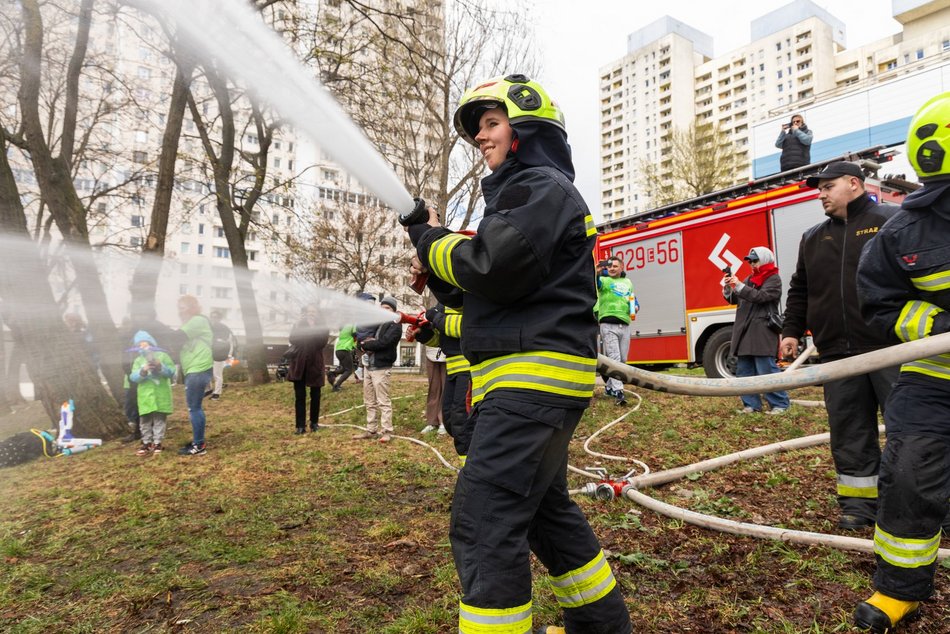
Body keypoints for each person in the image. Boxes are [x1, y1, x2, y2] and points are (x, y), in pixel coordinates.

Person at [406, 74, 632, 634]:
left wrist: (430, 240)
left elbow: (490, 265)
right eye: (478, 129)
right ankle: (601, 627)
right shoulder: (524, 195)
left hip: (532, 381)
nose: (482, 137)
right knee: (545, 514)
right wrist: (435, 267)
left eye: (491, 123)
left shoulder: (540, 187)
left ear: (527, 128)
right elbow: (487, 288)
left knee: (485, 518)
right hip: (534, 381)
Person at [852, 92, 950, 633]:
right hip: (935, 378)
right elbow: (881, 303)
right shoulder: (904, 231)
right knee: (911, 474)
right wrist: (936, 329)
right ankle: (900, 589)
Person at [779, 161, 899, 530]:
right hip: (837, 354)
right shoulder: (814, 237)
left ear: (854, 184)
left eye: (828, 187)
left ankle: (931, 506)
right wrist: (790, 331)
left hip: (891, 348)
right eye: (819, 189)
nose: (821, 194)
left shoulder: (891, 222)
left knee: (910, 430)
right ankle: (860, 508)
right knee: (849, 433)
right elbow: (800, 289)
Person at [723, 247, 790, 415]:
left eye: (755, 260)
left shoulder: (773, 279)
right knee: (744, 371)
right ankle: (751, 405)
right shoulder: (749, 279)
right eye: (750, 261)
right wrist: (728, 287)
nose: (752, 264)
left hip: (762, 331)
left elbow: (761, 297)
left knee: (766, 370)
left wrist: (739, 285)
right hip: (745, 332)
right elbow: (735, 299)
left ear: (765, 259)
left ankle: (780, 404)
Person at [353, 296, 402, 443]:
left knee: (383, 401)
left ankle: (387, 431)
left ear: (394, 310)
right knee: (369, 400)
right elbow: (361, 341)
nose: (384, 310)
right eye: (382, 307)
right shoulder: (376, 323)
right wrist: (363, 344)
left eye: (387, 308)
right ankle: (371, 429)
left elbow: (384, 343)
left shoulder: (395, 325)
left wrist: (367, 345)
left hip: (381, 367)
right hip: (368, 366)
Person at [175, 295, 214, 456]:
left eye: (182, 307)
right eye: (178, 307)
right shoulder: (191, 323)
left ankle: (199, 445)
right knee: (194, 406)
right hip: (195, 368)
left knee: (194, 407)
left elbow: (176, 337)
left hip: (199, 368)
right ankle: (198, 442)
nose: (179, 310)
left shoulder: (198, 321)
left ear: (192, 307)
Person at [596, 255, 636, 406]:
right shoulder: (604, 281)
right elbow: (595, 284)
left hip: (625, 324)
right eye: (609, 266)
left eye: (615, 266)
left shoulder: (628, 282)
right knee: (615, 358)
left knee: (623, 360)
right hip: (608, 323)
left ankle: (609, 388)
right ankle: (619, 392)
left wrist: (636, 306)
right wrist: (598, 272)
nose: (612, 268)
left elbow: (632, 298)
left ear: (622, 267)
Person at [128, 330, 175, 455]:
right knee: (145, 420)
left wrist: (160, 367)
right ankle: (146, 442)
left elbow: (171, 372)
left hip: (161, 394)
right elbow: (133, 377)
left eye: (145, 343)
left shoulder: (163, 356)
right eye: (140, 344)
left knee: (160, 419)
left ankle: (157, 442)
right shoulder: (138, 360)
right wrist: (143, 371)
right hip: (145, 396)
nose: (143, 347)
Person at [286, 304, 329, 434]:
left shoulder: (322, 327)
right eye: (309, 311)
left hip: (315, 364)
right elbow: (293, 339)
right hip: (299, 364)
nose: (311, 313)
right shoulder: (298, 324)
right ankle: (300, 426)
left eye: (314, 311)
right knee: (300, 396)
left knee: (315, 395)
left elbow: (322, 343)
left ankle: (314, 423)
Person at [208, 310, 236, 401]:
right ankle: (209, 390)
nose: (214, 319)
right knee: (207, 373)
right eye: (212, 317)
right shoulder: (209, 327)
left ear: (219, 318)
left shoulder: (224, 328)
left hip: (219, 355)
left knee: (217, 375)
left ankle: (217, 393)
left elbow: (230, 342)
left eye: (216, 317)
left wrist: (229, 355)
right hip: (208, 354)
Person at [421, 341, 446, 434]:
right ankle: (432, 421)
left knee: (445, 388)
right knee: (433, 389)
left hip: (448, 352)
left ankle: (443, 421)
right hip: (431, 352)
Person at [326, 324, 357, 392]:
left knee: (344, 368)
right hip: (345, 350)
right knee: (349, 370)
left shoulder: (343, 327)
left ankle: (332, 373)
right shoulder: (352, 324)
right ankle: (336, 386)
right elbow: (355, 334)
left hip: (338, 350)